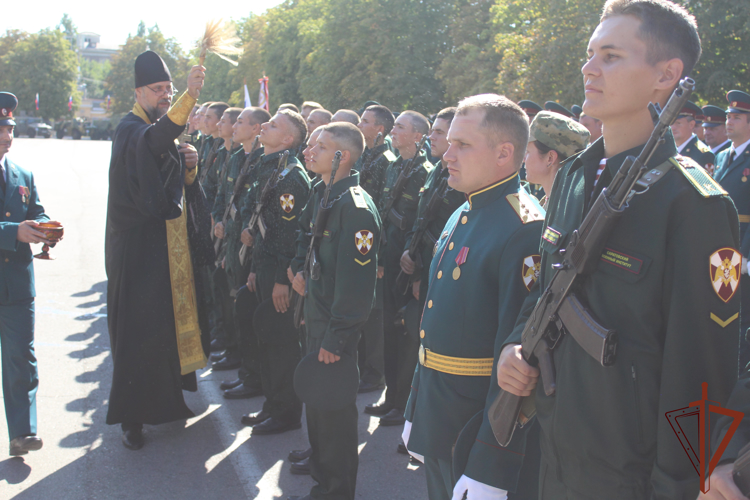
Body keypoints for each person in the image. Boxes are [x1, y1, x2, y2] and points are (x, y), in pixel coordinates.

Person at [496, 1, 740, 497]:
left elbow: (703, 368)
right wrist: (515, 343)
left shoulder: (692, 203)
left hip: (633, 472)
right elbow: (547, 285)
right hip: (556, 450)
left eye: (611, 56)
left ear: (666, 76)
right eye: (590, 53)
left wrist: (678, 484)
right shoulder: (572, 177)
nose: (588, 68)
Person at [403, 94, 544, 500]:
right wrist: (417, 408)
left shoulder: (523, 228)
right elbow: (435, 327)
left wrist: (490, 463)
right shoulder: (462, 211)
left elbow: (520, 361)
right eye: (449, 143)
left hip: (476, 422)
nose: (448, 154)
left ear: (504, 153)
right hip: (440, 412)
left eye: (462, 144)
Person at [105, 51, 212, 450]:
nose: (166, 95)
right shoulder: (131, 127)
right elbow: (152, 144)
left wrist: (190, 166)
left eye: (169, 89)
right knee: (137, 333)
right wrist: (190, 95)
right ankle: (131, 419)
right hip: (137, 251)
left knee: (162, 328)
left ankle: (168, 400)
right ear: (138, 91)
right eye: (159, 89)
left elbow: (169, 179)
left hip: (165, 246)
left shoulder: (156, 126)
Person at [288, 122, 381, 500]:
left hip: (333, 331)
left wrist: (337, 337)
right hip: (318, 318)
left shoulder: (355, 208)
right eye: (311, 144)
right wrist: (297, 274)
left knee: (335, 418)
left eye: (321, 147)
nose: (309, 151)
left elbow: (357, 288)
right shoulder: (323, 193)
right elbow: (308, 246)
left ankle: (337, 491)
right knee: (319, 410)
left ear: (342, 156)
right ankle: (321, 483)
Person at [238, 109, 311, 435]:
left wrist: (282, 279)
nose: (265, 125)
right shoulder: (269, 168)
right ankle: (272, 405)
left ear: (288, 139)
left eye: (274, 125)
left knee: (280, 345)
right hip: (264, 268)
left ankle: (285, 412)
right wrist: (254, 270)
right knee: (266, 339)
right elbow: (261, 227)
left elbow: (290, 233)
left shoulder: (290, 177)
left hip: (279, 274)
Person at [366, 110, 433, 427]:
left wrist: (415, 269)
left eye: (401, 127)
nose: (393, 130)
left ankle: (402, 402)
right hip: (387, 257)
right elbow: (381, 211)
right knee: (388, 332)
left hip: (405, 263)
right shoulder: (393, 166)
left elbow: (421, 222)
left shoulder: (425, 171)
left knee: (404, 334)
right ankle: (391, 397)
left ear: (418, 136)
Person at [0, 92, 51, 456]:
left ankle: (23, 432)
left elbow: (37, 210)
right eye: (1, 128)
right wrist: (11, 232)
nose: (7, 135)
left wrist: (47, 227)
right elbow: (13, 226)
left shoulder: (22, 174)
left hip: (17, 283)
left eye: (10, 128)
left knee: (21, 357)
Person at [213, 107, 270, 399]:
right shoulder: (236, 158)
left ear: (257, 128)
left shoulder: (264, 161)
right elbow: (223, 196)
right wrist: (219, 221)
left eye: (240, 122)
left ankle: (253, 375)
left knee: (249, 314)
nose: (234, 126)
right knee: (236, 306)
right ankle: (244, 369)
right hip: (232, 239)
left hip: (251, 245)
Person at [400, 107, 465, 312]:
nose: (431, 137)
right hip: (420, 263)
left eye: (438, 132)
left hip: (442, 272)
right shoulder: (436, 171)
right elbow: (419, 219)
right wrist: (408, 251)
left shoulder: (463, 180)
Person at [355, 104, 397, 393]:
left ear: (379, 129)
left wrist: (379, 257)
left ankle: (375, 372)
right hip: (360, 241)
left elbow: (383, 211)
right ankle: (365, 368)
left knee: (375, 315)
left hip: (374, 245)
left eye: (366, 121)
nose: (360, 123)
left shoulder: (387, 161)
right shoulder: (366, 156)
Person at [714, 90, 750, 368]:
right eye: (728, 117)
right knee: (721, 310)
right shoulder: (723, 156)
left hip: (743, 252)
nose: (729, 122)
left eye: (736, 117)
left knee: (741, 315)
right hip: (720, 249)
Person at [523, 111, 590, 207]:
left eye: (527, 151)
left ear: (550, 158)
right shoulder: (560, 203)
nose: (523, 159)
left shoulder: (562, 210)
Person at [671, 100, 715, 169]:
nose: (672, 128)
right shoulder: (669, 150)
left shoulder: (704, 155)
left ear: (691, 125)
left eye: (678, 123)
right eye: (671, 123)